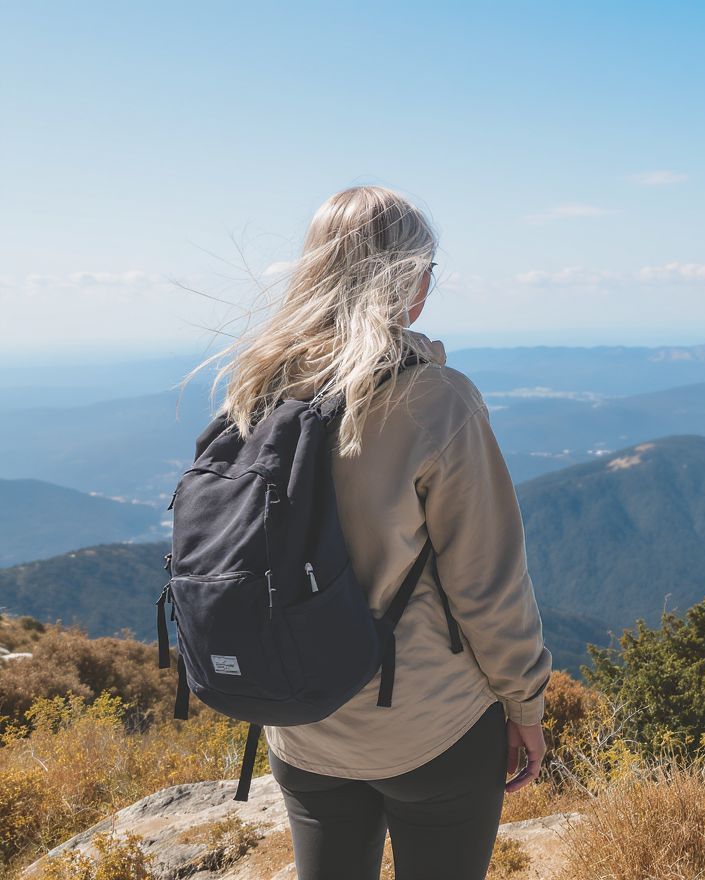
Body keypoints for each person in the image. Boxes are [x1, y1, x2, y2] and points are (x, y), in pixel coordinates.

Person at [204, 186, 551, 880]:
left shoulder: (257, 387)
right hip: (429, 728)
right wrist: (526, 705)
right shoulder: (435, 400)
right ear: (410, 282)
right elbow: (487, 584)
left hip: (302, 724)